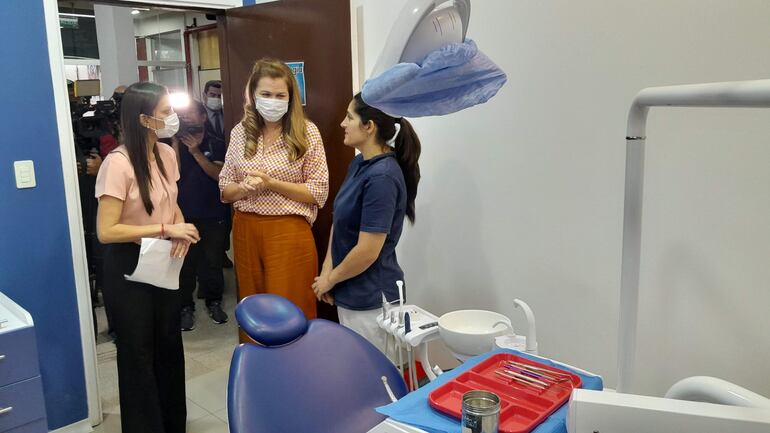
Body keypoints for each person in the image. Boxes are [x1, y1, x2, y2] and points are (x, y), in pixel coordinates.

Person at [95, 82, 200, 433]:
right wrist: (165, 229)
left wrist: (180, 226)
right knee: (137, 353)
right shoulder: (118, 164)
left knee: (168, 343)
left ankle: (172, 424)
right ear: (143, 119)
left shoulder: (167, 154)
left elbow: (171, 202)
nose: (173, 118)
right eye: (165, 112)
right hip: (128, 266)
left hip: (163, 260)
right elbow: (107, 231)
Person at [219, 58, 329, 342]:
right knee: (253, 309)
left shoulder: (306, 132)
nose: (273, 101)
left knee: (291, 308)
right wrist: (244, 188)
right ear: (253, 95)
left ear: (291, 98)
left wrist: (272, 184)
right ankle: (257, 366)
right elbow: (224, 189)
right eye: (266, 94)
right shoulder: (240, 132)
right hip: (245, 230)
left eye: (281, 95)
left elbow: (318, 191)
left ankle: (297, 366)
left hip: (288, 231)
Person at [312, 93, 421, 354]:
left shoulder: (382, 177)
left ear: (369, 126)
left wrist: (330, 280)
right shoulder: (360, 163)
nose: (342, 123)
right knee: (354, 370)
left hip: (372, 302)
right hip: (349, 290)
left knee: (373, 375)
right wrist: (327, 272)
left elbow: (368, 251)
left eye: (349, 117)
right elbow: (340, 220)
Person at [173, 100, 229, 330]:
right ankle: (185, 307)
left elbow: (219, 175)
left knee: (212, 261)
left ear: (203, 117)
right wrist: (175, 143)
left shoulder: (216, 143)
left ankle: (214, 302)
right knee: (183, 264)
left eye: (190, 113)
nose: (185, 117)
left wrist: (196, 152)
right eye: (182, 114)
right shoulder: (170, 144)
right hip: (182, 215)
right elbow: (172, 175)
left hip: (212, 213)